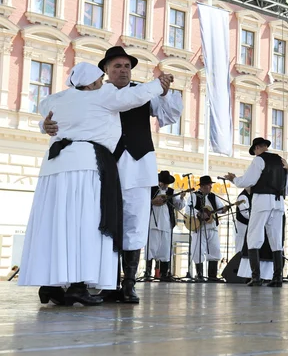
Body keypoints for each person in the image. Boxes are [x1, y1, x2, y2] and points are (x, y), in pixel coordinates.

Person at [19, 62, 171, 306]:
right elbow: (136, 94)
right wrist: (159, 84)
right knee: (86, 225)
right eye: (100, 79)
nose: (104, 83)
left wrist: (42, 125)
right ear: (90, 84)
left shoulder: (56, 99)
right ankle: (78, 286)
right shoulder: (103, 95)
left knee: (56, 224)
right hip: (85, 165)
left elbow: (45, 109)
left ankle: (50, 284)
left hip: (54, 166)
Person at [223, 137, 288, 287]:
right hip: (278, 203)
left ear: (257, 148)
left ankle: (255, 277)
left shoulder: (258, 160)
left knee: (254, 236)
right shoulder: (281, 161)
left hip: (262, 201)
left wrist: (234, 179)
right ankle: (277, 278)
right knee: (276, 240)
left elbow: (248, 181)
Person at [145, 170, 186, 282]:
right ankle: (147, 272)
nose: (165, 185)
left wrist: (181, 198)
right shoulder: (152, 190)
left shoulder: (171, 192)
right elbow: (144, 202)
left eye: (166, 183)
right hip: (153, 222)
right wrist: (153, 201)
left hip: (166, 223)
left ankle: (164, 273)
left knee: (165, 248)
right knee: (151, 247)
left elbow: (178, 206)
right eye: (163, 182)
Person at [187, 176, 230, 282]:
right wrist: (199, 214)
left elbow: (219, 209)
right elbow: (188, 209)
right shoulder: (194, 196)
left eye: (211, 185)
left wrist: (224, 209)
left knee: (215, 249)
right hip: (199, 227)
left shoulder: (213, 197)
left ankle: (212, 276)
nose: (210, 187)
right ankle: (200, 274)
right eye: (208, 185)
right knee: (198, 250)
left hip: (212, 227)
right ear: (201, 186)